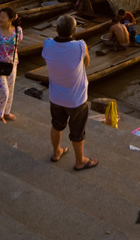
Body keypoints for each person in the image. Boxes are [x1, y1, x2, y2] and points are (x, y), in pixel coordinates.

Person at [41, 15, 97, 171]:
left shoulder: (47, 44)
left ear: (56, 29)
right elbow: (86, 63)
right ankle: (80, 161)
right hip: (76, 99)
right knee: (78, 131)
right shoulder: (80, 46)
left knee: (57, 125)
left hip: (56, 96)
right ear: (74, 31)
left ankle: (56, 152)